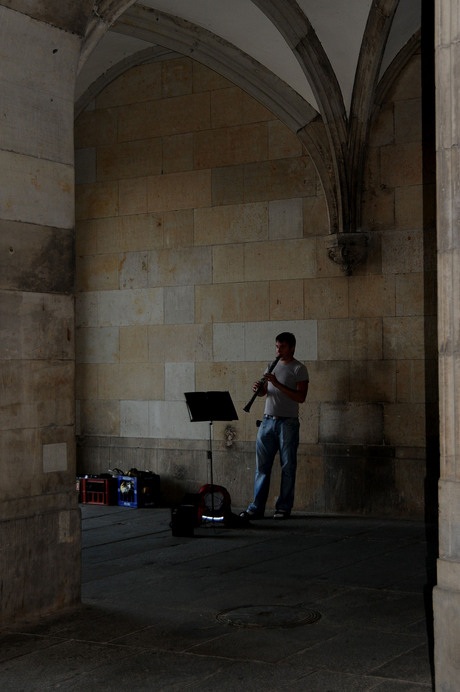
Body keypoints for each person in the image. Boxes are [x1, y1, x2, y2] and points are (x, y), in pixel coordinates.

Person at [241, 332, 309, 520]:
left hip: (288, 422)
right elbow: (266, 393)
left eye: (283, 347)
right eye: (277, 346)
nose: (278, 350)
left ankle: (283, 508)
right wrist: (260, 389)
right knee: (262, 467)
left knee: (288, 466)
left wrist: (277, 384)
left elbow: (300, 397)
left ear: (292, 347)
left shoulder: (299, 369)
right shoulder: (271, 367)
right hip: (267, 420)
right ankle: (257, 507)